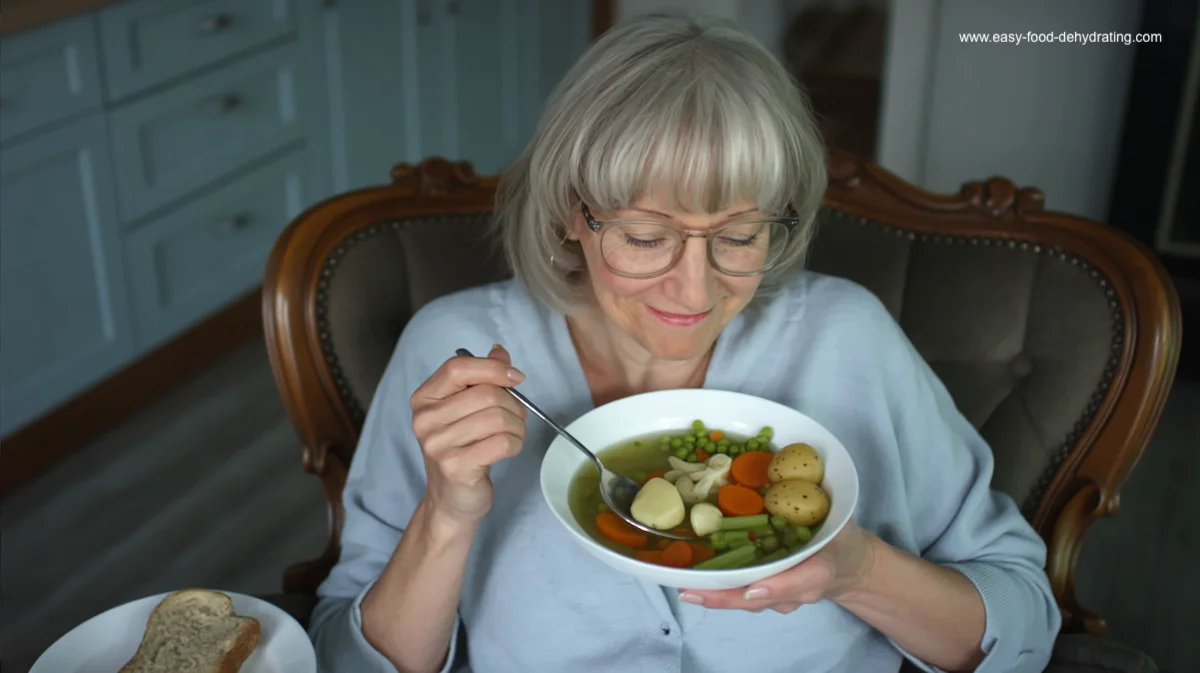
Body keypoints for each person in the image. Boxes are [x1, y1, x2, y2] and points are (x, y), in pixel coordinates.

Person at [308, 11, 1060, 673]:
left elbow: (1025, 623)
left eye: (739, 235)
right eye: (644, 237)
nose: (695, 292)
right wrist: (446, 513)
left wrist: (857, 570)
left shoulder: (848, 336)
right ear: (573, 213)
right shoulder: (459, 350)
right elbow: (349, 658)